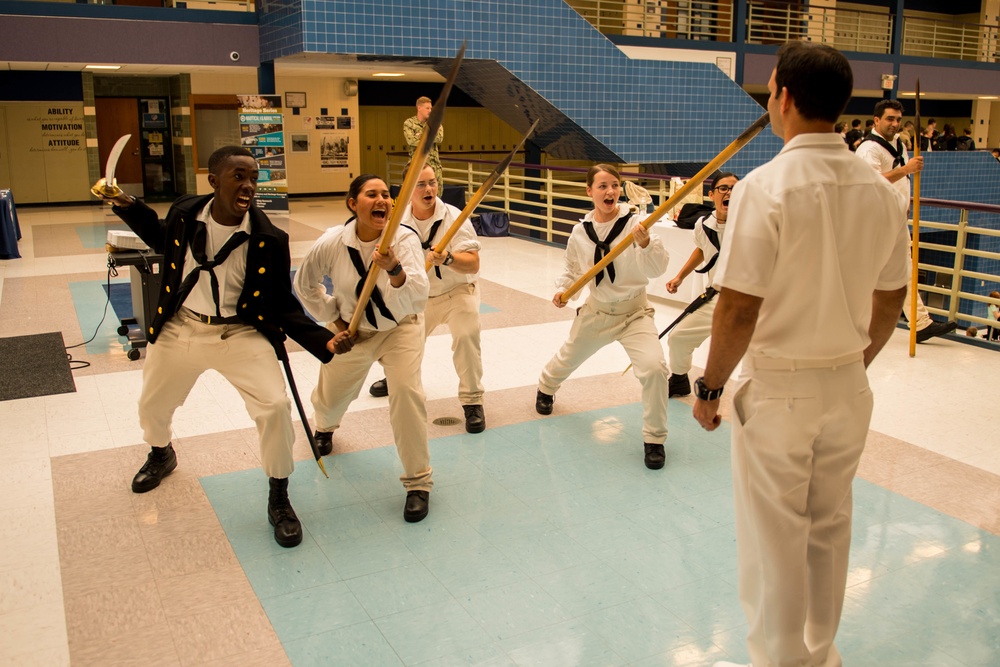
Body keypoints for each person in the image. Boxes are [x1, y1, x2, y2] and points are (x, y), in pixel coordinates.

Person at [697, 42, 911, 667]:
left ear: (785, 97)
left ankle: (780, 660)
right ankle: (819, 653)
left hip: (782, 386)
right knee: (829, 528)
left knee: (774, 540)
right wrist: (855, 363)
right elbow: (892, 294)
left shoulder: (766, 188)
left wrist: (710, 389)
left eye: (770, 90)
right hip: (849, 384)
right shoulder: (877, 190)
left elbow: (737, 308)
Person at [97, 146, 338, 548]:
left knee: (275, 408)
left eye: (253, 177)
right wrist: (124, 201)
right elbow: (159, 235)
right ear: (214, 181)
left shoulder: (269, 238)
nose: (248, 185)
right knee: (152, 406)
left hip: (240, 333)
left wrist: (323, 340)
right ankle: (162, 453)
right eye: (238, 176)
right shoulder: (186, 212)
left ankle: (279, 494)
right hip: (182, 327)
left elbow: (281, 303)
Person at [294, 174, 434, 522]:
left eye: (387, 194)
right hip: (353, 331)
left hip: (401, 329)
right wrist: (335, 320)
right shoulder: (332, 242)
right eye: (372, 194)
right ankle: (325, 427)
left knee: (407, 393)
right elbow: (304, 284)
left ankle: (418, 481)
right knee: (332, 395)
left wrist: (394, 268)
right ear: (353, 204)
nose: (383, 200)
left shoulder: (403, 238)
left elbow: (418, 294)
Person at [535, 164, 671, 470]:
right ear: (589, 191)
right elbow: (571, 269)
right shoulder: (580, 233)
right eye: (602, 186)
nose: (610, 191)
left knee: (654, 369)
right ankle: (545, 387)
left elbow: (657, 269)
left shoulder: (637, 224)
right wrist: (563, 291)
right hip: (598, 310)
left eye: (615, 185)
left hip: (635, 312)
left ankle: (654, 439)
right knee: (568, 357)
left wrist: (646, 244)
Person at [368, 164, 486, 434]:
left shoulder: (454, 217)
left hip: (458, 292)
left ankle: (472, 402)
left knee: (467, 337)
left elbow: (474, 264)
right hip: (420, 297)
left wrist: (449, 258)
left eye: (432, 182)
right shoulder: (397, 222)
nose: (429, 189)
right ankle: (393, 376)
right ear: (408, 190)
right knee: (401, 344)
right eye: (420, 185)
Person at [855, 99, 958, 342]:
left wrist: (907, 203)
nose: (895, 123)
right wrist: (906, 169)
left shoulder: (899, 144)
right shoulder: (868, 149)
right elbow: (871, 183)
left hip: (895, 217)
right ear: (877, 120)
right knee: (880, 271)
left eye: (898, 119)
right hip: (876, 219)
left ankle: (919, 322)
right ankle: (917, 322)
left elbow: (902, 179)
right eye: (890, 119)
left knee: (899, 270)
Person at [663, 172, 739, 397]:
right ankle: (679, 380)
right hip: (717, 298)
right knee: (678, 338)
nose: (729, 193)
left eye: (735, 188)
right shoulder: (703, 224)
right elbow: (702, 248)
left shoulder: (751, 222)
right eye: (723, 188)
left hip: (750, 300)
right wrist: (680, 276)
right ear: (711, 194)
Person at [403, 96, 444, 185]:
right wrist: (430, 135)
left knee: (436, 195)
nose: (430, 110)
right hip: (417, 166)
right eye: (427, 108)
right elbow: (412, 141)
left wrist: (420, 136)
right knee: (416, 192)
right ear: (419, 108)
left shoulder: (435, 123)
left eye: (431, 108)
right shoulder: (409, 123)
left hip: (434, 167)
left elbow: (439, 138)